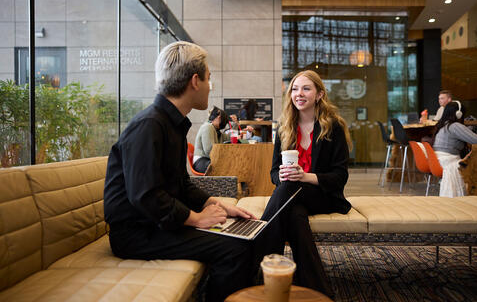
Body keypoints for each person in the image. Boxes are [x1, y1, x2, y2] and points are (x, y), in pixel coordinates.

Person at [103, 41, 257, 302]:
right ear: (195, 81)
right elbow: (146, 196)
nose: (211, 86)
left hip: (154, 224)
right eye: (209, 79)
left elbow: (181, 184)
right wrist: (196, 219)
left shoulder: (169, 124)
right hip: (136, 234)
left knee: (245, 235)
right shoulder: (149, 125)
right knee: (236, 248)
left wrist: (216, 204)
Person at [257, 70, 352, 298]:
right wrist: (280, 175)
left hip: (323, 196)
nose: (299, 94)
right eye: (295, 89)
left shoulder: (333, 126)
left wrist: (305, 177)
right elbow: (272, 172)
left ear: (319, 94)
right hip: (293, 197)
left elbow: (340, 176)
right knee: (295, 215)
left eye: (306, 88)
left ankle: (256, 264)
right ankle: (316, 289)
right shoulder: (285, 126)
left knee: (289, 189)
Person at [433, 101, 477, 197]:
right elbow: (476, 140)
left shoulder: (443, 125)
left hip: (437, 160)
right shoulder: (454, 126)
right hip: (448, 161)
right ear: (459, 114)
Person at [193, 106, 229, 173]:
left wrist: (235, 125)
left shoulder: (216, 130)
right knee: (225, 166)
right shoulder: (208, 127)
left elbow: (228, 137)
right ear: (219, 118)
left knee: (228, 164)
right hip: (201, 161)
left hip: (206, 160)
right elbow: (209, 150)